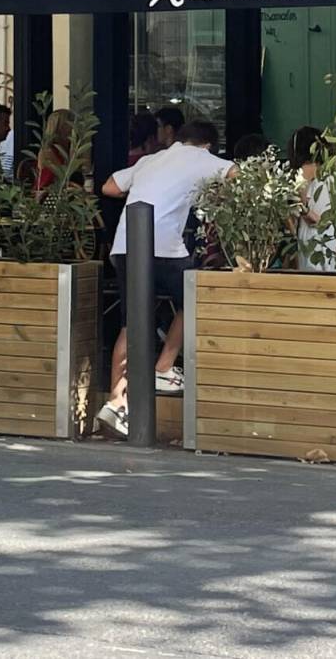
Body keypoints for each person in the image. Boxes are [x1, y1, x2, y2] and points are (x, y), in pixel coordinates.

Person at [97, 119, 235, 437]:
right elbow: (237, 176)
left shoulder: (152, 159)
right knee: (195, 296)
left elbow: (110, 187)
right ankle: (164, 367)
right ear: (206, 145)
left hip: (125, 246)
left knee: (131, 323)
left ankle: (116, 403)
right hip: (160, 246)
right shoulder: (201, 158)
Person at [290, 126, 336, 272]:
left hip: (317, 240)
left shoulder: (320, 179)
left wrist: (302, 205)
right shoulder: (330, 177)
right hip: (317, 239)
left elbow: (317, 220)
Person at [35, 108, 86, 195]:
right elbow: (65, 177)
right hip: (47, 195)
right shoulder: (47, 152)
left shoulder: (63, 150)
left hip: (62, 193)